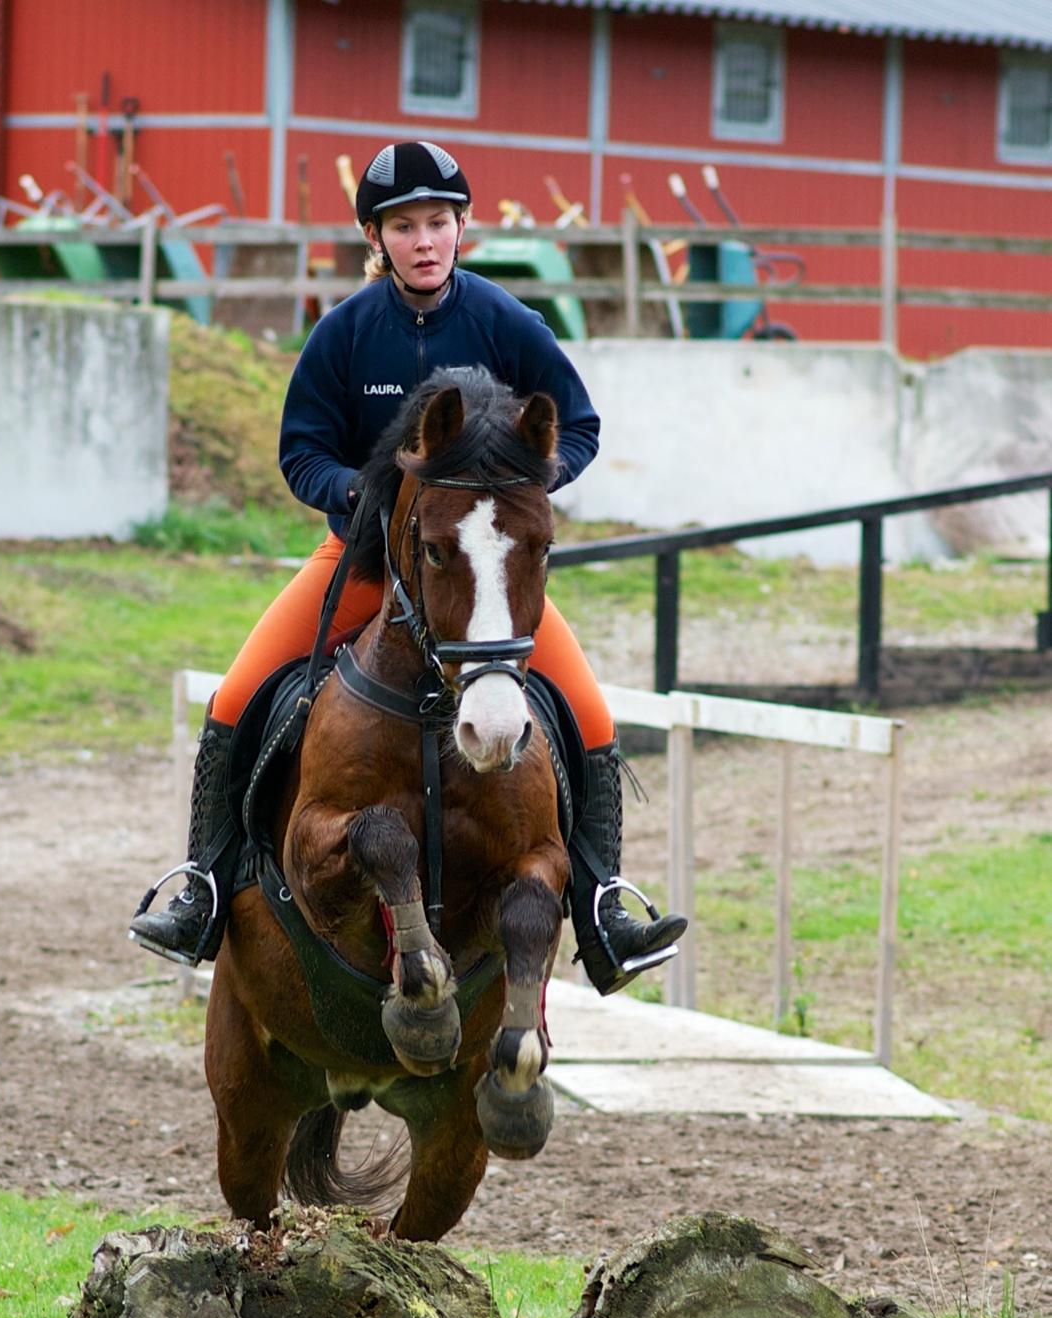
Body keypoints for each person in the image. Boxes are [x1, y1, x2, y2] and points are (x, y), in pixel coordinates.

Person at [130, 140, 686, 994]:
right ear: (374, 236)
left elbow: (578, 426)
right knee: (237, 694)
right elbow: (302, 452)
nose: (424, 240)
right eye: (404, 226)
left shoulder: (507, 321)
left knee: (590, 713)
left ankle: (606, 906)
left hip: (479, 571)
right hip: (360, 560)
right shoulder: (344, 332)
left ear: (462, 228)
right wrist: (359, 497)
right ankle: (203, 884)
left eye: (438, 222)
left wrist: (520, 492)